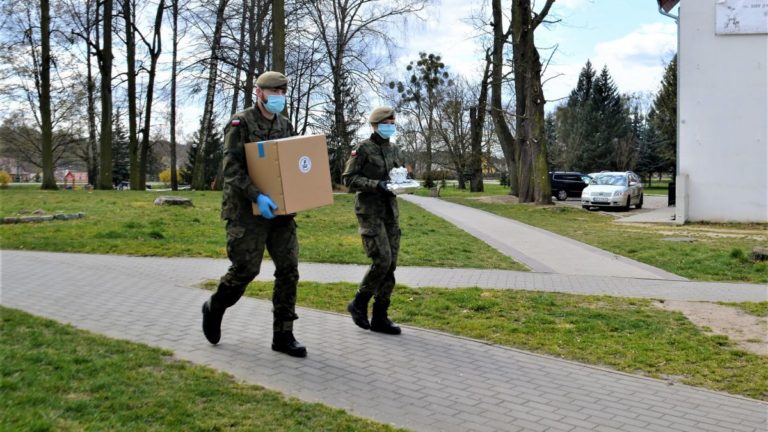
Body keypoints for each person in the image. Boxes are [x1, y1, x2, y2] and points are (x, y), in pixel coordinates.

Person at [201, 71, 306, 357]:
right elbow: (231, 169)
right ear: (258, 93)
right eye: (273, 92)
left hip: (281, 212)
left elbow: (290, 164)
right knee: (246, 270)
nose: (279, 97)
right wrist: (257, 195)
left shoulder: (285, 124)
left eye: (283, 92)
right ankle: (216, 306)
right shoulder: (240, 122)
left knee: (289, 269)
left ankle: (283, 335)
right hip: (246, 210)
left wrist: (298, 193)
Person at [341, 106, 404, 335]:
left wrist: (403, 184)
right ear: (375, 125)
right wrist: (375, 185)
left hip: (390, 212)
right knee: (382, 260)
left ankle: (380, 316)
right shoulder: (363, 149)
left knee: (391, 265)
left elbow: (398, 177)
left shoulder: (395, 150)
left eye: (393, 121)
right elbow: (349, 179)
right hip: (370, 211)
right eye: (386, 122)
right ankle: (359, 302)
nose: (390, 125)